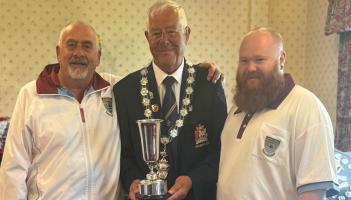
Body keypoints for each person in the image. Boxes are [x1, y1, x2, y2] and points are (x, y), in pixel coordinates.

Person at [113, 1, 227, 200]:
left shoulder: (209, 83)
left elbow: (221, 148)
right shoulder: (125, 91)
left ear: (187, 34)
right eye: (156, 33)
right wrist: (132, 180)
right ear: (147, 37)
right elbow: (121, 152)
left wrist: (193, 179)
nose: (164, 40)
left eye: (172, 32)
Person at [0, 20, 122, 199]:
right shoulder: (30, 94)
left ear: (98, 56)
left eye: (87, 47)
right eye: (71, 45)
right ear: (58, 52)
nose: (78, 53)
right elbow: (13, 167)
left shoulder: (116, 89)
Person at [217, 27, 337, 200]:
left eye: (259, 59)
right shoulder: (236, 111)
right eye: (244, 60)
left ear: (281, 59)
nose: (250, 67)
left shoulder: (307, 108)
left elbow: (313, 194)